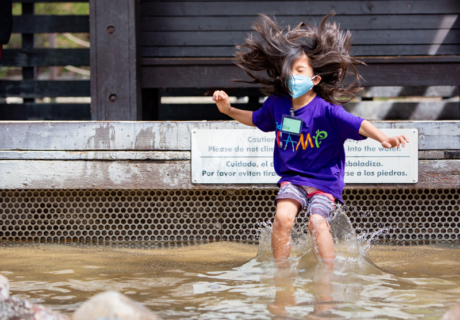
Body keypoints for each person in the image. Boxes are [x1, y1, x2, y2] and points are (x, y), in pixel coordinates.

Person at [212, 12, 408, 264]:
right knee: (283, 218)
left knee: (317, 222)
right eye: (289, 71)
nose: (293, 76)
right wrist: (228, 110)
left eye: (300, 70)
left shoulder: (328, 111)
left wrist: (384, 139)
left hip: (324, 182)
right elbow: (255, 119)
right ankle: (280, 273)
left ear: (315, 79)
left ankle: (328, 275)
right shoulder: (277, 105)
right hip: (293, 177)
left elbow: (360, 124)